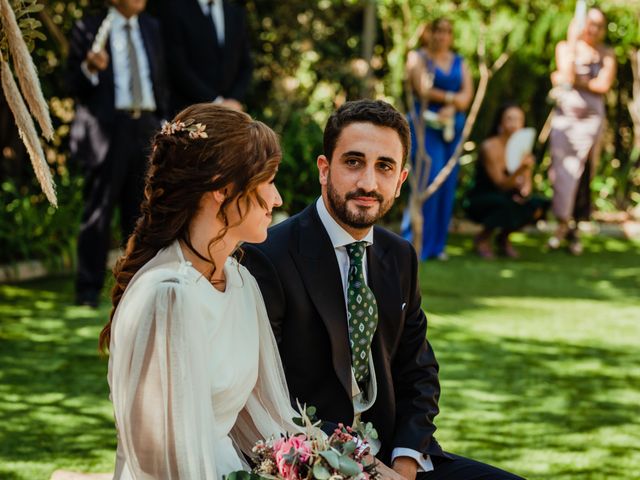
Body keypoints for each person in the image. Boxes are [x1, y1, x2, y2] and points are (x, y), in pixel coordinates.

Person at [243, 99, 524, 480]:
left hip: (396, 456)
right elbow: (271, 398)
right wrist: (367, 469)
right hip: (312, 461)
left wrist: (405, 464)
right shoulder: (270, 256)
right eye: (353, 162)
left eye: (384, 167)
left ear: (401, 179)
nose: (368, 183)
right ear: (324, 169)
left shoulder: (400, 255)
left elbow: (418, 370)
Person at [101, 104, 301, 479]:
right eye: (268, 181)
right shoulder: (168, 297)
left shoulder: (240, 282)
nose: (277, 199)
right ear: (223, 190)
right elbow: (161, 462)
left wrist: (333, 465)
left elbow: (267, 421)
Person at [66, 0, 169, 307]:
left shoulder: (152, 27)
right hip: (108, 129)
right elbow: (72, 83)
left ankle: (136, 285)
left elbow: (160, 78)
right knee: (98, 212)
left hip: (147, 126)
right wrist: (90, 68)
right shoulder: (89, 28)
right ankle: (87, 290)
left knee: (142, 213)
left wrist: (163, 123)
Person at [401, 18, 474, 261]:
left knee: (447, 182)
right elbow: (422, 88)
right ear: (428, 32)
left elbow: (467, 98)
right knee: (426, 179)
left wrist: (451, 106)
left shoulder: (460, 62)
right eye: (438, 30)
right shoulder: (418, 57)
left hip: (452, 126)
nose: (442, 36)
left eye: (447, 31)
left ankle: (437, 246)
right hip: (425, 126)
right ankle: (414, 241)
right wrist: (453, 99)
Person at [548, 7, 616, 255]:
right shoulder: (566, 48)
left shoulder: (607, 53)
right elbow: (564, 73)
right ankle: (560, 225)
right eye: (590, 23)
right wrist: (573, 48)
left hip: (591, 121)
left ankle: (574, 229)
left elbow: (603, 84)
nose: (594, 29)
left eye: (599, 25)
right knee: (562, 172)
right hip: (567, 120)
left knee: (584, 174)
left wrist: (575, 80)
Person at [464, 104, 550, 259]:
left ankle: (503, 238)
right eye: (510, 119)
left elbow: (526, 186)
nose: (514, 123)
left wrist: (524, 193)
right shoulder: (490, 147)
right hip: (484, 197)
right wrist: (521, 169)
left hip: (509, 195)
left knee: (536, 205)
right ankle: (483, 238)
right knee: (505, 204)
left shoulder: (524, 149)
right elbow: (500, 184)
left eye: (518, 119)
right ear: (500, 122)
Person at [157, 0, 253, 114]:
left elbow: (246, 64)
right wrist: (216, 102)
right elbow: (177, 65)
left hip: (230, 112)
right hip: (189, 112)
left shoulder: (235, 12)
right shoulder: (176, 9)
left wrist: (233, 100)